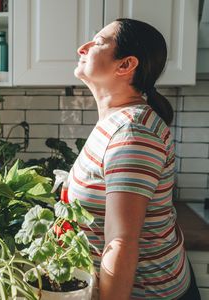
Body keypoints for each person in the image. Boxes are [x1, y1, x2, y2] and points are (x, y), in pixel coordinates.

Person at [69, 18, 201, 299]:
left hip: (146, 293)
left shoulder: (133, 133)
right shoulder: (114, 120)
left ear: (126, 65)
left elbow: (122, 243)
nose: (83, 47)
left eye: (98, 42)